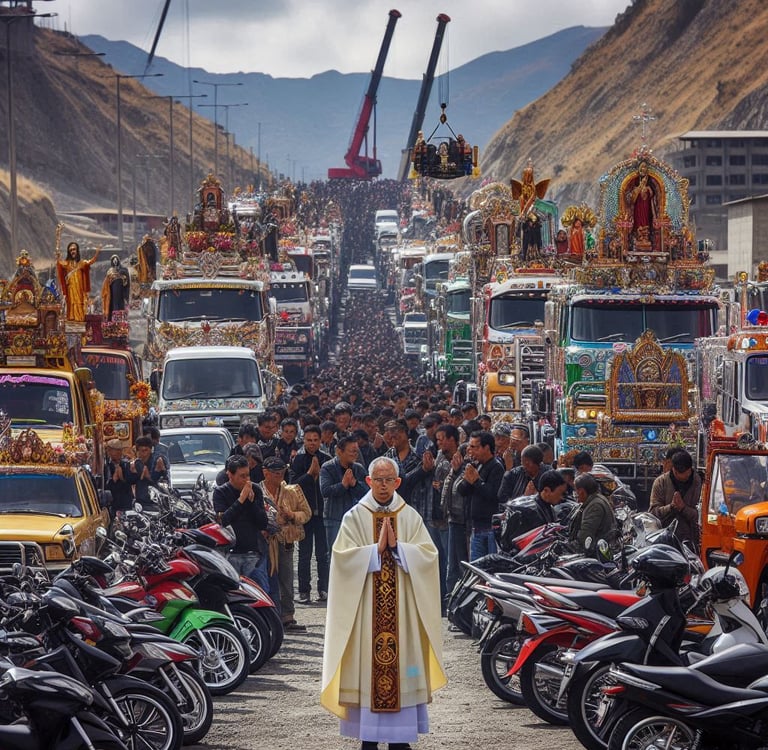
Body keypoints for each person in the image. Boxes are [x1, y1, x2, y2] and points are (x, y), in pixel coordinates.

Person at [320, 456, 447, 750]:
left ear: (398, 482)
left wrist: (400, 549)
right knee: (369, 677)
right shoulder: (355, 516)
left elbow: (429, 556)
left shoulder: (409, 516)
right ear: (368, 481)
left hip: (400, 617)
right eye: (378, 480)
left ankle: (400, 740)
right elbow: (340, 560)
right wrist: (374, 551)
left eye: (389, 480)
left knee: (401, 672)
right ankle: (368, 739)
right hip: (367, 615)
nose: (383, 486)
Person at [260, 455, 311, 631]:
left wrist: (292, 516)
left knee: (287, 579)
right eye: (275, 473)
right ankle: (269, 616)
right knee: (265, 579)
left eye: (282, 472)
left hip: (286, 540)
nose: (279, 476)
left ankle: (288, 616)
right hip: (264, 542)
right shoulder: (256, 491)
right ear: (265, 473)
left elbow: (307, 513)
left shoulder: (293, 491)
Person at [213, 455, 269, 589]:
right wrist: (241, 500)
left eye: (248, 475)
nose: (246, 480)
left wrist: (253, 502)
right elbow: (223, 521)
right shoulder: (220, 492)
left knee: (257, 591)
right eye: (242, 476)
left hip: (252, 553)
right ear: (230, 475)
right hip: (231, 553)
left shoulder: (255, 490)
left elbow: (263, 522)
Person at [290, 424, 332, 603]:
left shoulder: (328, 459)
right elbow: (292, 486)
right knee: (304, 554)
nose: (312, 444)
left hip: (323, 514)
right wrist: (309, 474)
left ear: (320, 441)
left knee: (323, 554)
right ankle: (304, 591)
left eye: (315, 440)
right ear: (303, 440)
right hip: (304, 514)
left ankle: (324, 589)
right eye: (309, 440)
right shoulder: (298, 460)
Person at [454, 430, 505, 561]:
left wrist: (477, 481)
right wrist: (468, 479)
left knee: (491, 567)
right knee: (476, 567)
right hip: (476, 527)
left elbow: (494, 495)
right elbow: (461, 490)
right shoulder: (477, 465)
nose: (470, 451)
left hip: (491, 529)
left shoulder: (496, 467)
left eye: (473, 447)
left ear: (486, 448)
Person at [320, 435, 368, 567]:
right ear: (339, 451)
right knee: (335, 555)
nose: (355, 454)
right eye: (352, 451)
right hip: (334, 518)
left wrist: (354, 484)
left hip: (356, 518)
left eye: (356, 451)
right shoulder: (327, 467)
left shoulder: (358, 468)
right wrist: (343, 485)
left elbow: (367, 492)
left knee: (356, 554)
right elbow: (325, 491)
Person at [649, 449, 701, 549]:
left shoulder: (699, 483)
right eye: (678, 473)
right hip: (664, 541)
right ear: (673, 469)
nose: (682, 476)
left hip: (691, 542)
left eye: (686, 473)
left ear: (690, 469)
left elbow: (702, 516)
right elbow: (652, 514)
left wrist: (683, 508)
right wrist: (671, 507)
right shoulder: (660, 482)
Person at [569, 473, 616, 557]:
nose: (575, 494)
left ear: (582, 492)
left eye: (576, 491)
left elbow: (585, 536)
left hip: (597, 554)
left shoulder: (595, 506)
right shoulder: (597, 499)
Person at [57, 241, 101, 322]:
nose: (73, 251)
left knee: (79, 302)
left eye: (74, 249)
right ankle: (71, 319)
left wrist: (97, 253)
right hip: (70, 288)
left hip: (80, 288)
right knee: (71, 302)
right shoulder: (67, 263)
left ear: (77, 250)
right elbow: (60, 263)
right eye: (71, 250)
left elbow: (90, 262)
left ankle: (80, 320)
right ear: (69, 252)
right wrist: (58, 256)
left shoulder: (82, 263)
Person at [625, 160, 658, 250]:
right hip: (637, 210)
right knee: (639, 222)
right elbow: (631, 200)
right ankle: (638, 237)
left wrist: (648, 189)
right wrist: (639, 188)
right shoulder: (635, 188)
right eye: (641, 168)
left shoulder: (649, 188)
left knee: (646, 222)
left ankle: (646, 238)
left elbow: (653, 198)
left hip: (646, 210)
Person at [104, 438, 136, 516]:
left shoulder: (126, 464)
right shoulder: (106, 466)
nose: (119, 453)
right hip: (112, 503)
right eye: (116, 450)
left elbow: (131, 481)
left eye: (119, 450)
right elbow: (105, 485)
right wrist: (113, 479)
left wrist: (122, 477)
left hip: (125, 502)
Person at [100, 254, 130, 320]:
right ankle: (113, 320)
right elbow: (107, 282)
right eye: (113, 260)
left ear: (118, 260)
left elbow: (127, 283)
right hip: (112, 292)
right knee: (113, 305)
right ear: (111, 262)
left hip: (121, 291)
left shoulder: (124, 270)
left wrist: (126, 294)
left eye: (116, 260)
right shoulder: (110, 271)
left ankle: (120, 320)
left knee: (120, 305)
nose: (115, 261)